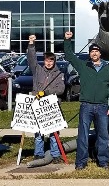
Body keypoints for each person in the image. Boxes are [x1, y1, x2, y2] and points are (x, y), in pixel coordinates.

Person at [64, 32, 109, 170]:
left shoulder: (108, 69)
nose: (94, 53)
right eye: (92, 51)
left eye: (96, 51)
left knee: (103, 135)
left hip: (102, 107)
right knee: (83, 135)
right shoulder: (83, 66)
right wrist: (67, 40)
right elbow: (69, 56)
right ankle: (81, 162)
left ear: (100, 54)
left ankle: (104, 162)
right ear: (89, 54)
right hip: (86, 106)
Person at [27, 35, 65, 163]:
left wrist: (47, 92)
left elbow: (61, 89)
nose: (49, 63)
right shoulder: (37, 70)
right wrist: (31, 44)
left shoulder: (59, 74)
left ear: (54, 62)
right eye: (47, 60)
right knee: (38, 132)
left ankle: (55, 154)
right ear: (44, 61)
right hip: (37, 105)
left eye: (51, 60)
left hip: (52, 107)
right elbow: (31, 59)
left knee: (54, 133)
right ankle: (38, 153)